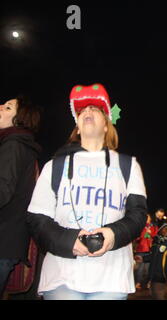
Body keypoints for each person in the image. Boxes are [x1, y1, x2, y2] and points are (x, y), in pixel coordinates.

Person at [26, 83, 147, 300]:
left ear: (107, 125)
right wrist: (69, 241)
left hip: (112, 278)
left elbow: (137, 216)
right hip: (61, 276)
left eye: (96, 109)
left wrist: (112, 234)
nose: (88, 111)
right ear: (78, 127)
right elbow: (37, 219)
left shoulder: (129, 165)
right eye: (83, 110)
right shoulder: (55, 166)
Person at [0, 96, 41, 297]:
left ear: (20, 119)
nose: (0, 107)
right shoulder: (19, 145)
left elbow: (2, 190)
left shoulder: (13, 144)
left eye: (7, 107)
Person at [137, 223, 167, 300]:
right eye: (164, 229)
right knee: (153, 294)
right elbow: (153, 256)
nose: (166, 231)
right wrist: (143, 258)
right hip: (153, 273)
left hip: (161, 274)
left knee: (159, 295)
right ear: (160, 231)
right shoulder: (156, 242)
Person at [134, 214, 158, 289]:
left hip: (150, 249)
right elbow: (136, 238)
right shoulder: (140, 227)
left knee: (148, 269)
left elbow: (156, 237)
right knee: (139, 268)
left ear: (150, 218)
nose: (146, 218)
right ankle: (138, 282)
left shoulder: (154, 226)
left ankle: (147, 282)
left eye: (148, 217)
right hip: (141, 249)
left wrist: (151, 233)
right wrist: (143, 234)